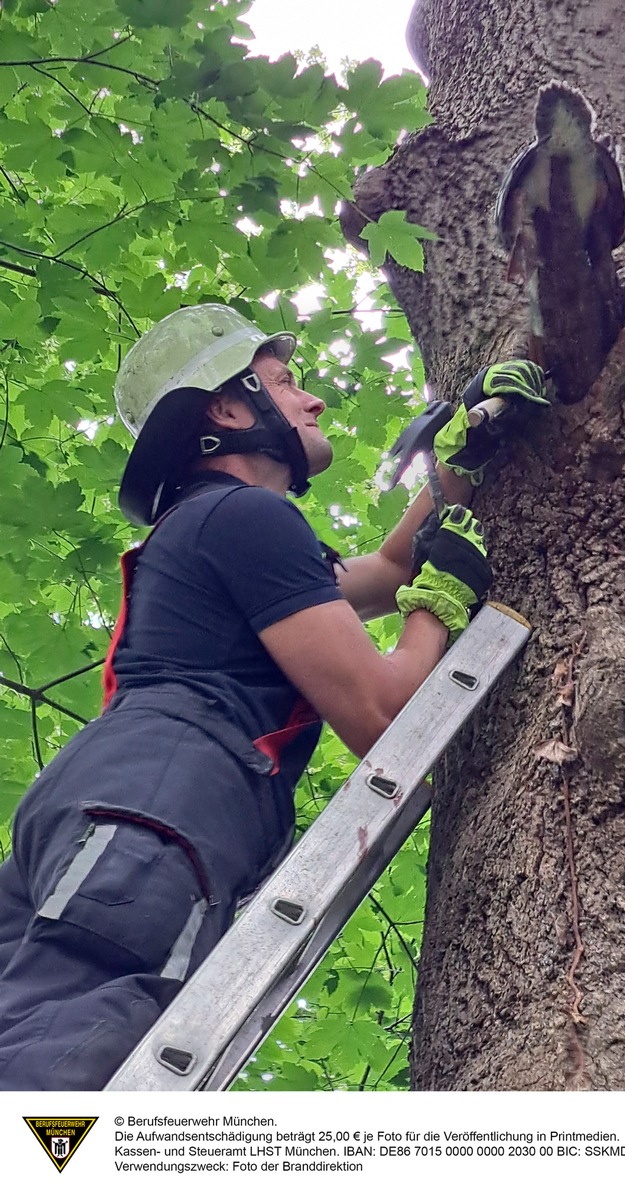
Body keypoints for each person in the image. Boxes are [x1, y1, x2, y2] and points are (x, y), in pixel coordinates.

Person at [0, 303, 546, 1089]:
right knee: (79, 1050)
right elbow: (383, 717)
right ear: (228, 408)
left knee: (39, 1027)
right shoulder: (246, 516)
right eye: (286, 384)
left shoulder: (215, 527)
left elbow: (389, 572)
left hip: (123, 801)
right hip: (163, 800)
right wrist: (445, 603)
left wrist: (462, 454)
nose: (313, 400)